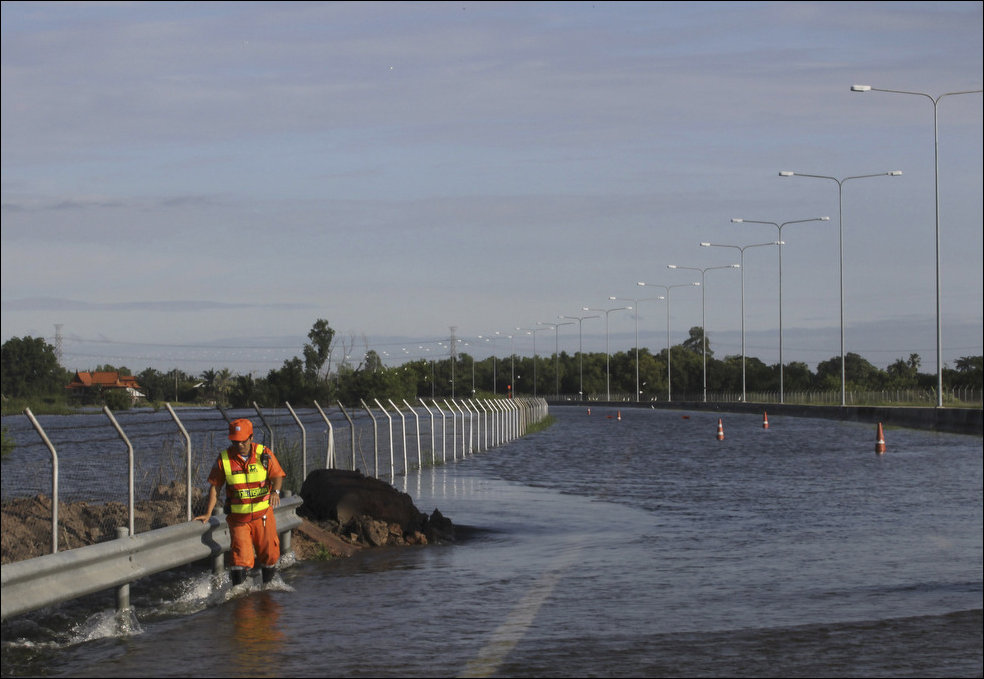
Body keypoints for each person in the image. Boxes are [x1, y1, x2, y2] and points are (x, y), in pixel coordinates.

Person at [195, 418, 286, 585]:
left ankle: (268, 588)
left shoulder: (264, 454)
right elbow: (215, 487)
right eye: (235, 442)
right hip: (238, 520)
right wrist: (208, 513)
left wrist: (276, 491)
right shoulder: (224, 459)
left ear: (251, 438)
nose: (239, 445)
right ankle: (238, 596)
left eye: (242, 441)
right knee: (240, 558)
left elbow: (277, 475)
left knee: (270, 554)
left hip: (263, 516)